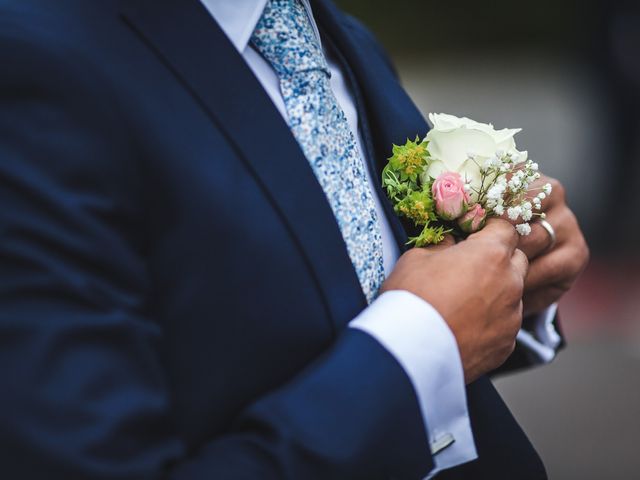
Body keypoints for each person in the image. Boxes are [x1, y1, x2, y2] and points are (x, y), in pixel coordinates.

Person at [0, 0, 588, 478]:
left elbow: (318, 324)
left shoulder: (340, 37)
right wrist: (423, 344)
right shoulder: (35, 63)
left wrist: (514, 284)